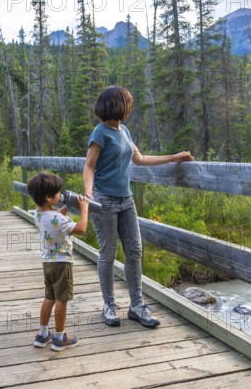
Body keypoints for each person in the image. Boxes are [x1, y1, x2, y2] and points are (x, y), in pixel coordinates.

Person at [83, 86, 194, 328]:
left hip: (126, 200)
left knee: (135, 251)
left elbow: (140, 159)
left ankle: (137, 305)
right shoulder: (100, 132)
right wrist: (89, 194)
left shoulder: (124, 131)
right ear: (117, 105)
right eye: (127, 103)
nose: (130, 107)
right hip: (104, 201)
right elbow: (89, 166)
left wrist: (174, 157)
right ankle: (109, 305)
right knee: (108, 253)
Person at [27, 171, 89, 351]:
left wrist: (66, 206)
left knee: (49, 297)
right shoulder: (57, 218)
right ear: (48, 197)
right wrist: (84, 209)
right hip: (62, 264)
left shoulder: (38, 214)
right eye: (58, 193)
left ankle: (43, 334)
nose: (61, 195)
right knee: (62, 300)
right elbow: (81, 229)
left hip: (48, 263)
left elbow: (55, 218)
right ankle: (59, 338)